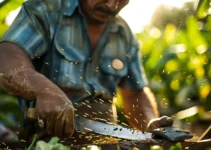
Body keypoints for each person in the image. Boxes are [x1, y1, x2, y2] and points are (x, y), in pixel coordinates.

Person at [0, 0, 173, 144]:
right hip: (44, 142)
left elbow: (135, 94)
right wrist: (44, 90)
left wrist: (149, 124)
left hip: (104, 143)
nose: (112, 6)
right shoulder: (47, 9)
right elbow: (7, 54)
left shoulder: (124, 34)